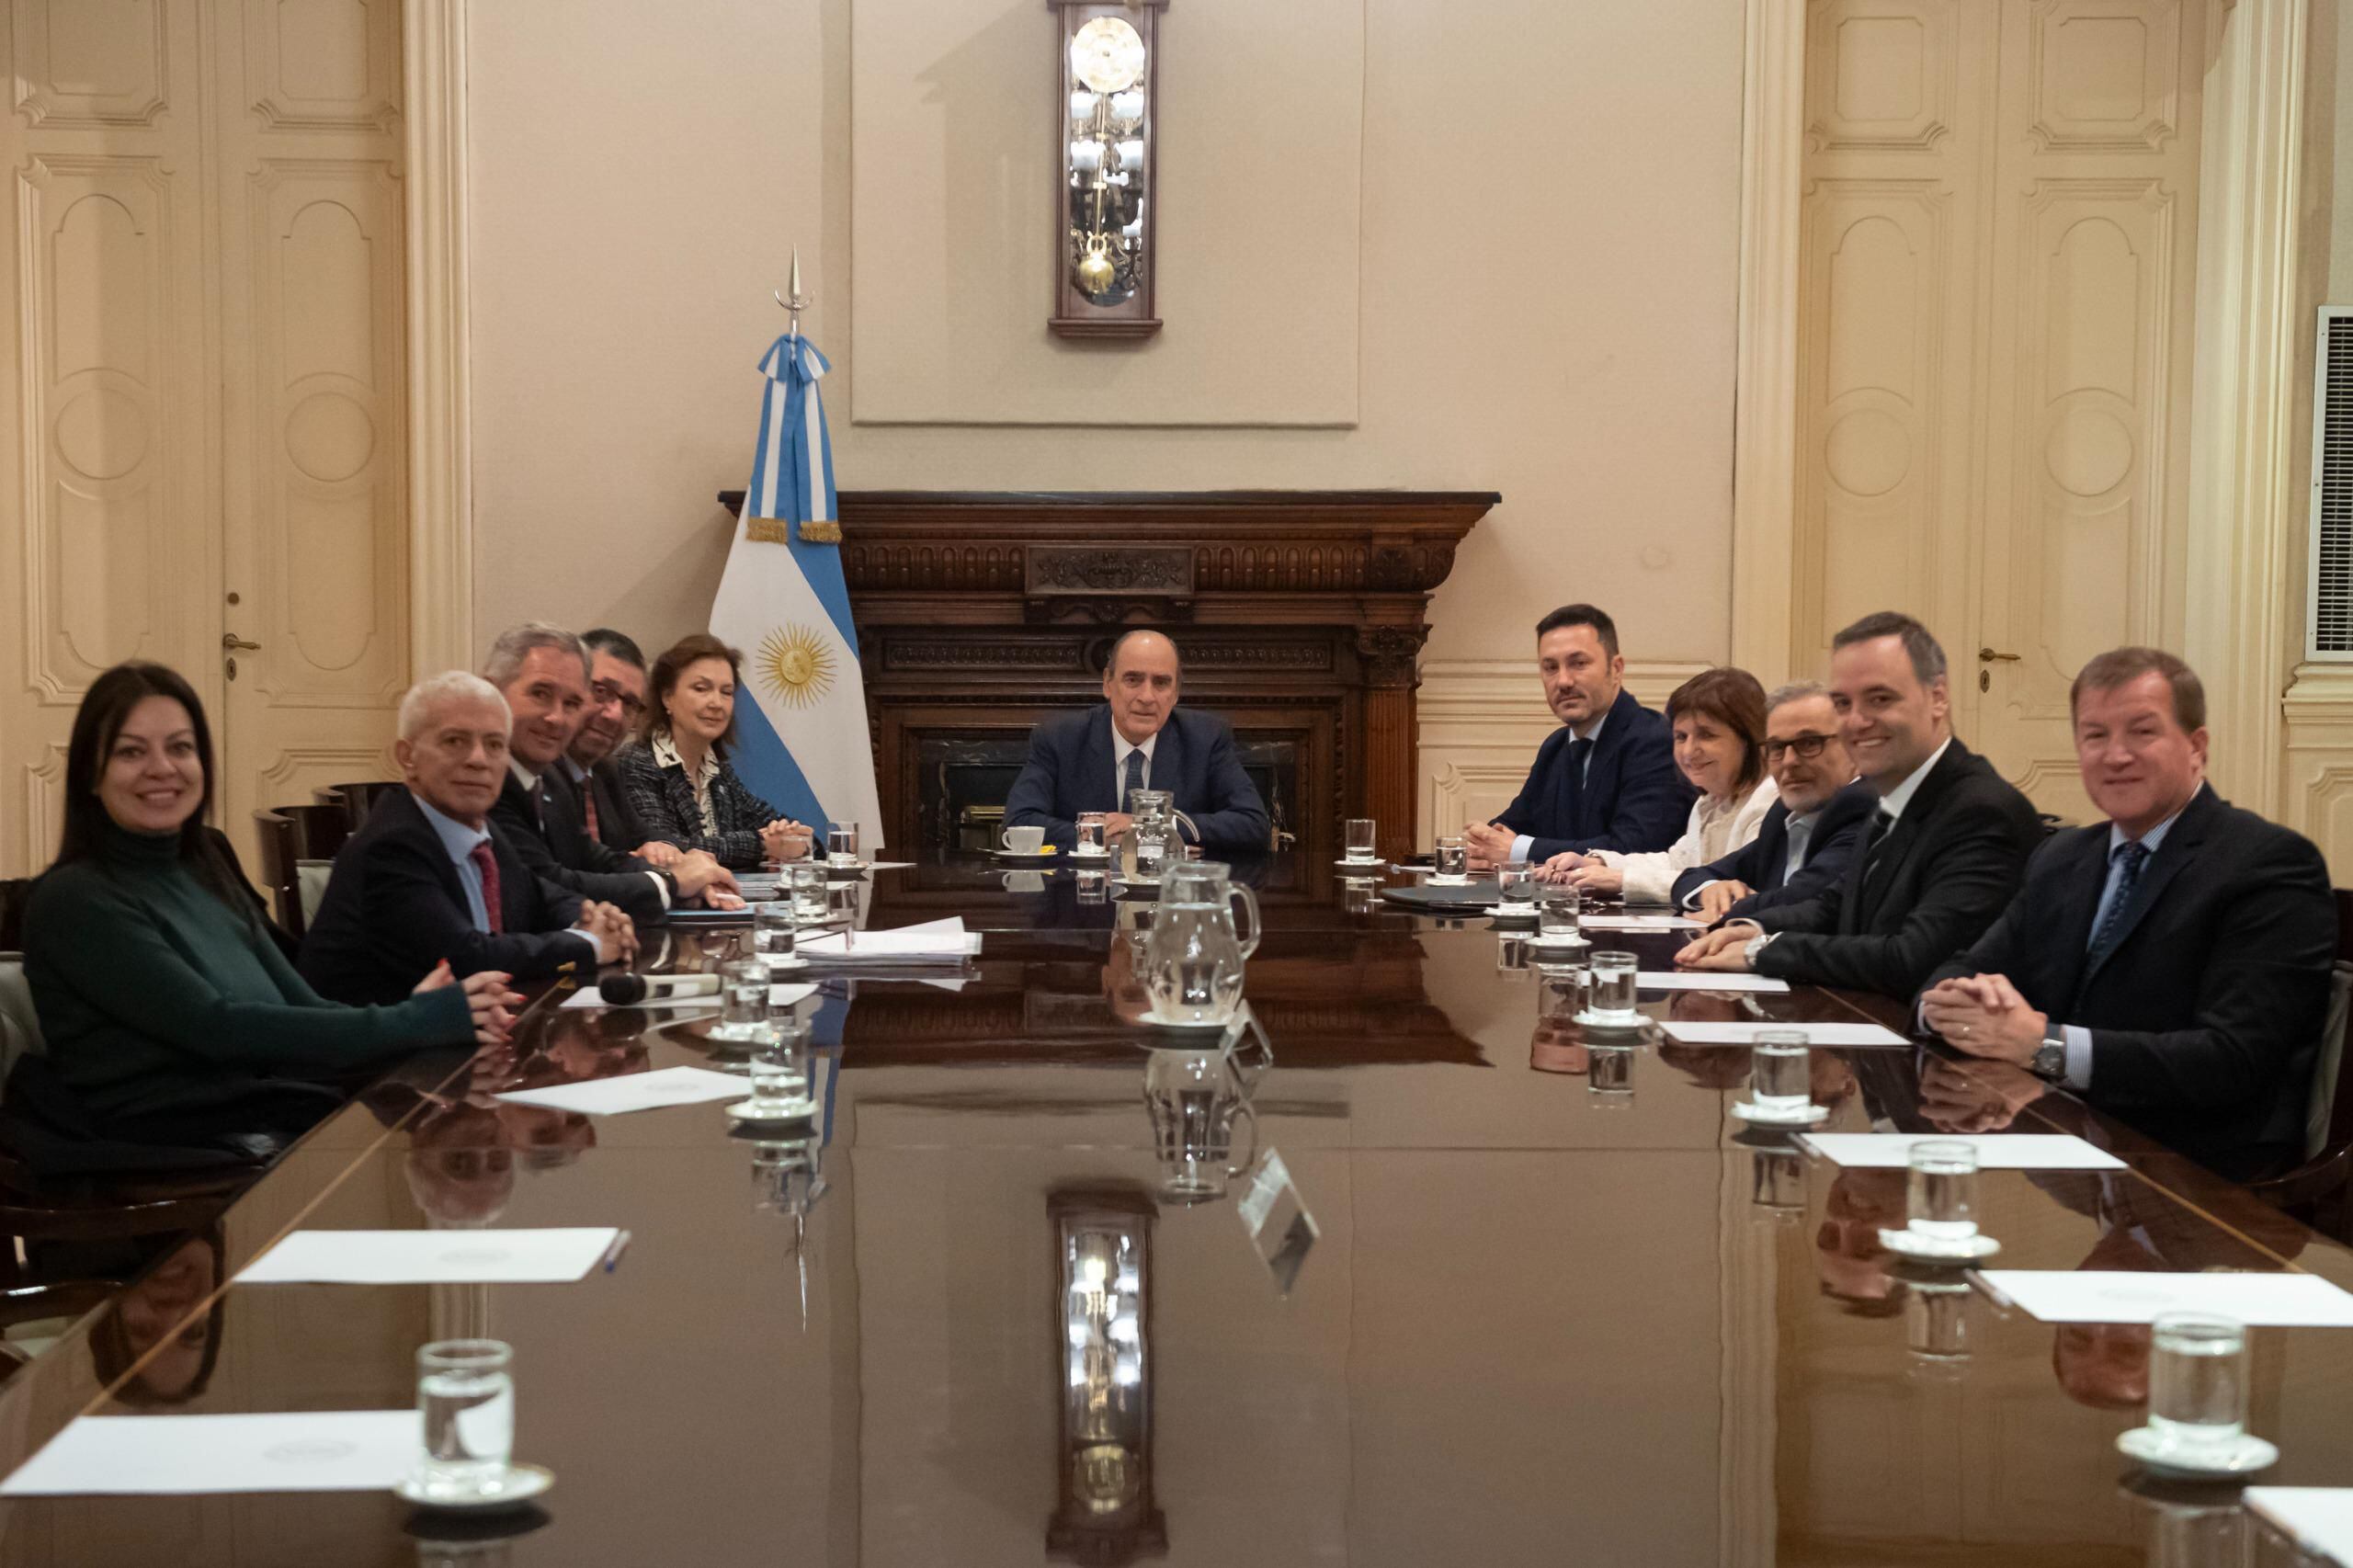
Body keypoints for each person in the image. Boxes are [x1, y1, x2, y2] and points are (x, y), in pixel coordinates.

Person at [18, 664, 519, 1144]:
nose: (162, 769)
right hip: (174, 1152)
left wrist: (413, 1013)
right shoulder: (74, 900)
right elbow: (217, 1028)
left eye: (181, 748)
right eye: (131, 752)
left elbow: (302, 1005)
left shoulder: (204, 862)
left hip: (262, 1115)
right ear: (90, 772)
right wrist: (415, 1021)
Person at [1917, 648, 2336, 1181]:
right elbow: (1960, 970)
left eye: (2142, 732)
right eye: (2095, 736)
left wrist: (2043, 1046)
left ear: (2196, 747)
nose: (2116, 756)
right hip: (2057, 1154)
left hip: (2193, 1179)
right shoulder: (2062, 857)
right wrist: (1950, 1004)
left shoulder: (2268, 864)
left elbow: (2233, 1060)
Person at [1675, 611, 2041, 997]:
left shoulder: (1980, 811)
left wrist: (1764, 950)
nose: (1857, 721)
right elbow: (1834, 907)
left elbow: (1914, 958)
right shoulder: (1893, 797)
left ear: (1937, 698)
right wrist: (1751, 927)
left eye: (1879, 699)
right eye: (1843, 704)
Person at [301, 672, 638, 1006]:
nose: (478, 760)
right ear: (407, 756)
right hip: (384, 1053)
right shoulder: (392, 844)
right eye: (454, 741)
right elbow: (467, 960)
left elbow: (538, 897)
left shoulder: (480, 828)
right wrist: (589, 944)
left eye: (494, 745)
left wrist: (590, 916)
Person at [481, 621, 740, 920]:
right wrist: (672, 883)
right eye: (540, 693)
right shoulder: (487, 780)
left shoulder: (554, 778)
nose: (556, 716)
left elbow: (599, 858)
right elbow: (548, 884)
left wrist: (687, 874)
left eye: (571, 702)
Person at [1462, 605, 1693, 869]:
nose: (1563, 681)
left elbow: (1633, 849)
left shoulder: (1654, 740)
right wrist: (1483, 846)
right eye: (1550, 667)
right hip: (1560, 904)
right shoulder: (1556, 745)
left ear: (1616, 669)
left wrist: (1518, 851)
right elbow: (1513, 825)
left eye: (1578, 664)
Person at [1003, 630, 1271, 852]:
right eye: (1133, 680)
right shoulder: (1060, 738)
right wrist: (1100, 836)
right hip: (1081, 901)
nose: (1147, 696)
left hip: (1170, 902)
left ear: (1176, 693)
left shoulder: (1206, 738)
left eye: (1161, 683)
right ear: (1108, 684)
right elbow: (1019, 823)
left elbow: (1253, 824)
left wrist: (1154, 828)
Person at [1536, 666, 1777, 903]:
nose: (1689, 751)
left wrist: (1622, 880)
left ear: (1749, 739)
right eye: (1681, 737)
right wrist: (1598, 862)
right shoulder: (1709, 803)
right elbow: (1677, 863)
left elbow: (1728, 885)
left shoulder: (1768, 801)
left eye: (1707, 735)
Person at [1670, 681, 1876, 923]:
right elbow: (1692, 877)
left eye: (1809, 743)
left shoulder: (1864, 809)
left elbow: (1804, 898)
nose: (1789, 761)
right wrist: (1709, 890)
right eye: (1777, 747)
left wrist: (1727, 910)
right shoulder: (1782, 814)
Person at [610, 633, 813, 870]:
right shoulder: (638, 762)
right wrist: (764, 845)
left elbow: (801, 838)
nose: (716, 703)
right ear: (667, 697)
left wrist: (795, 838)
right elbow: (667, 849)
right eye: (701, 689)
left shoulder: (719, 772)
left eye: (726, 692)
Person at [567, 627, 659, 858]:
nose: (615, 714)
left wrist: (681, 855)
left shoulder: (606, 770)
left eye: (629, 703)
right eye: (601, 691)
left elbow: (646, 836)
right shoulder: (538, 773)